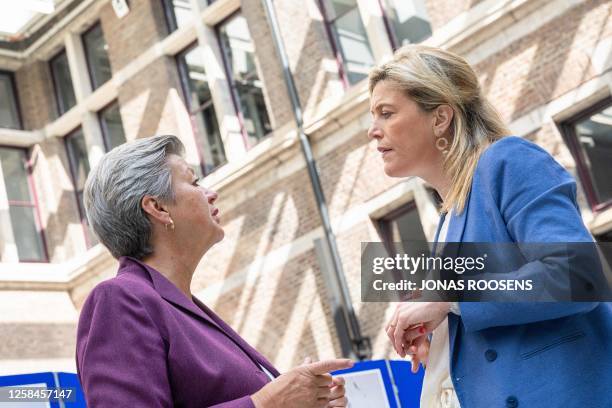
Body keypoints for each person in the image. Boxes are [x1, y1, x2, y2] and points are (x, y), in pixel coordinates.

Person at [367, 44, 612, 407]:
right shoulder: (448, 220)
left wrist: (449, 299)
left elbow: (578, 275)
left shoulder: (508, 161)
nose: (373, 131)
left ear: (440, 118)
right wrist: (443, 340)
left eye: (386, 113)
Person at [76, 135, 352, 407]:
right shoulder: (119, 300)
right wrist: (270, 401)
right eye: (194, 182)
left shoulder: (181, 307)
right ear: (157, 207)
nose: (211, 193)